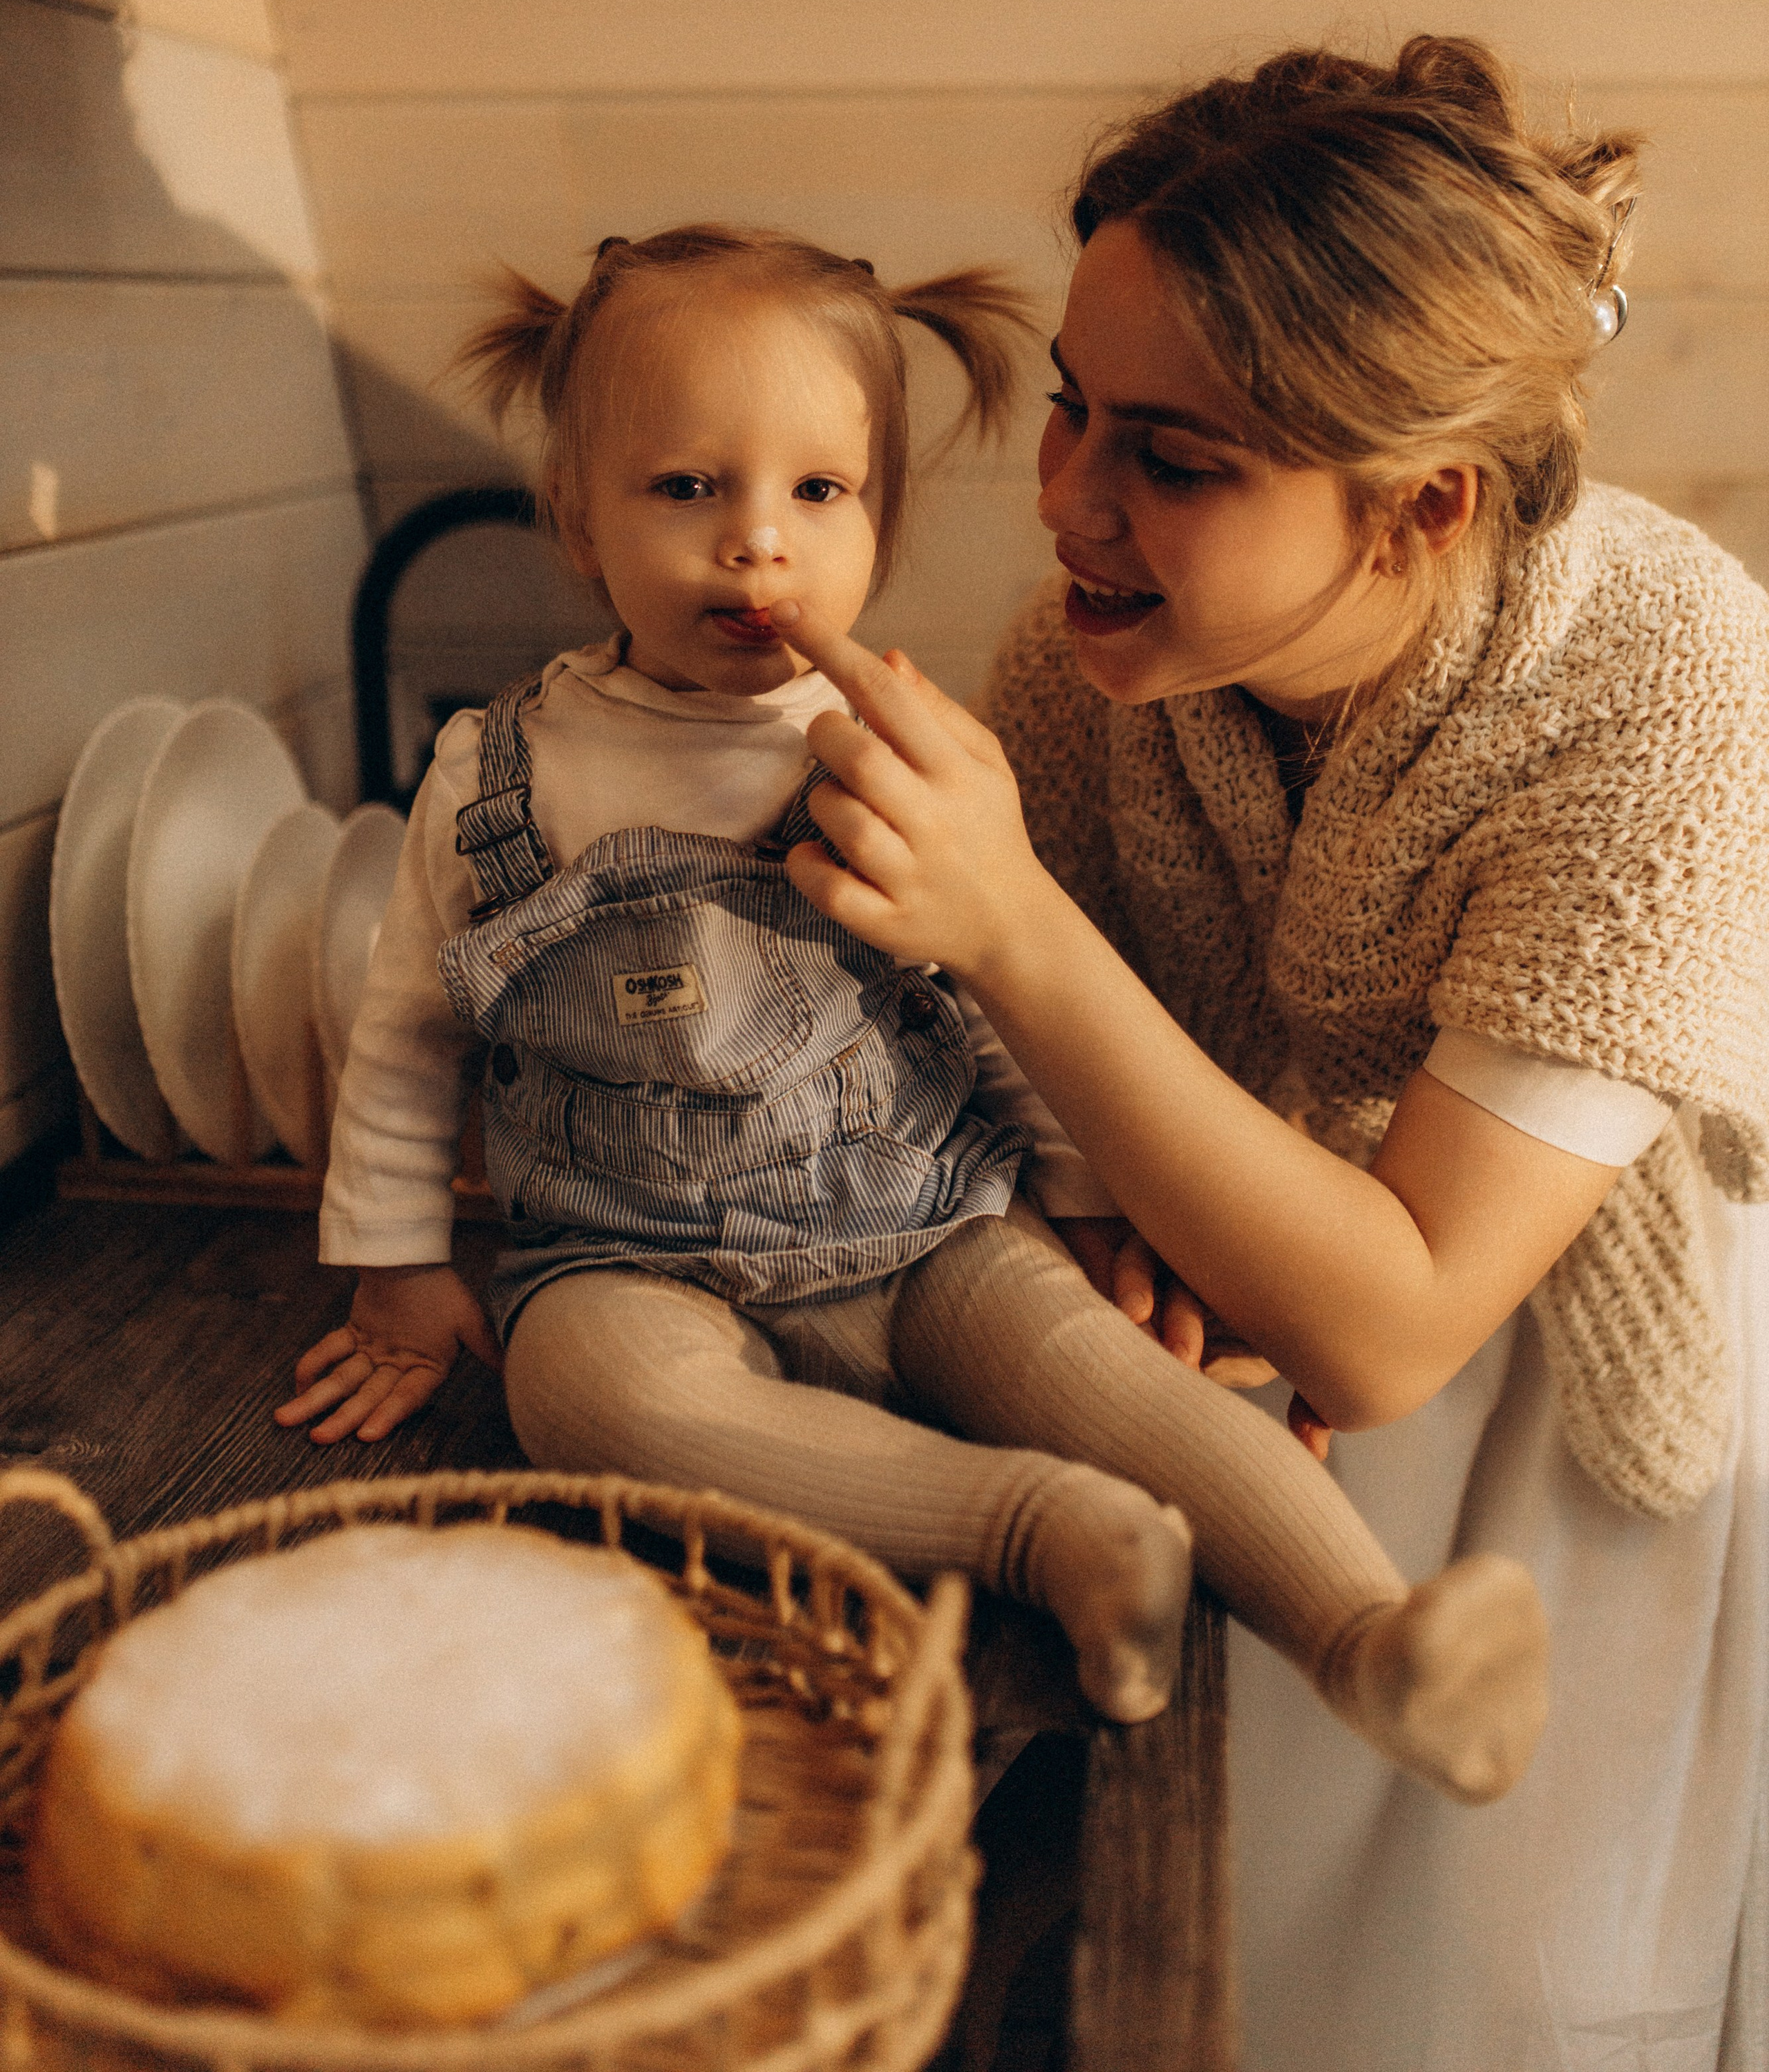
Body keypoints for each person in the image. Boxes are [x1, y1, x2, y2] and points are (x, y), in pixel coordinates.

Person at [764, 39, 1769, 2071]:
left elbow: (1398, 1323)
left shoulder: (1672, 689)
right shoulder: (1094, 654)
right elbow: (1034, 1079)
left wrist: (1016, 924)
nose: (1067, 501)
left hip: (1554, 1399)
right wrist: (1097, 1213)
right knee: (1249, 1958)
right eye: (1067, 407)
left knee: (1510, 1988)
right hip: (1236, 1374)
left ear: (1423, 504)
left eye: (1172, 457)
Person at [280, 220, 1549, 1804]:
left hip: (923, 1218)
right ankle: (1048, 1532)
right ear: (577, 519)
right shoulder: (498, 769)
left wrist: (1079, 1205)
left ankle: (1369, 1634)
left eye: (818, 493)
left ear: (878, 516)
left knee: (1112, 1380)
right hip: (627, 1255)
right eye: (687, 490)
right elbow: (406, 1035)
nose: (758, 545)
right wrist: (398, 1269)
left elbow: (1001, 997)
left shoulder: (894, 747)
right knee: (580, 1395)